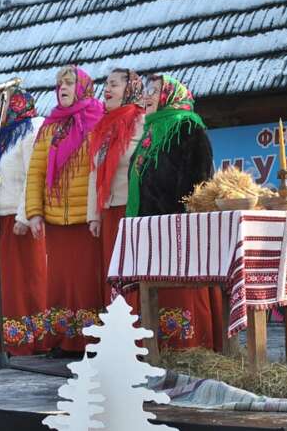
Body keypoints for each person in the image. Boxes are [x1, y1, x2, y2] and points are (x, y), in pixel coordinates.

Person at [126, 74, 223, 351]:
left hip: (178, 230)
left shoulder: (188, 128)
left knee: (181, 294)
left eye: (154, 91)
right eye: (147, 91)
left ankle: (190, 348)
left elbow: (199, 182)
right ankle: (160, 348)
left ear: (170, 95)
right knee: (156, 293)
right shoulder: (151, 132)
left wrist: (179, 218)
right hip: (151, 228)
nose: (147, 96)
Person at [26, 65, 105, 355]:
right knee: (59, 283)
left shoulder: (98, 119)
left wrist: (97, 212)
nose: (63, 87)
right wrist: (34, 212)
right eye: (60, 83)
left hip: (86, 220)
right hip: (56, 219)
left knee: (85, 282)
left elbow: (102, 169)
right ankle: (62, 339)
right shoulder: (49, 126)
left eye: (69, 82)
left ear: (83, 87)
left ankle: (90, 340)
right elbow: (35, 173)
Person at [0, 87, 47, 355]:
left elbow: (33, 175)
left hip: (20, 222)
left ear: (17, 103)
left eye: (3, 103)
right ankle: (2, 339)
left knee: (25, 281)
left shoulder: (31, 130)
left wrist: (24, 214)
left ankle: (29, 340)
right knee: (2, 282)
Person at [87, 68, 145, 304]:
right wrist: (94, 215)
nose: (107, 90)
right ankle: (116, 331)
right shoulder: (103, 127)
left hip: (131, 210)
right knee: (113, 274)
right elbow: (94, 172)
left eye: (114, 85)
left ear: (129, 89)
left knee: (131, 272)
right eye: (106, 85)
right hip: (109, 212)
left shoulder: (142, 120)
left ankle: (136, 330)